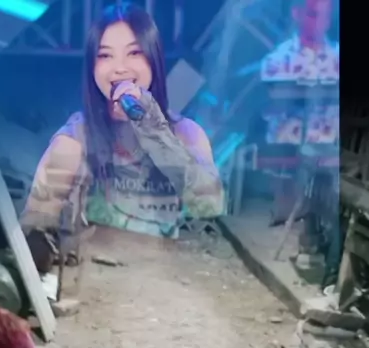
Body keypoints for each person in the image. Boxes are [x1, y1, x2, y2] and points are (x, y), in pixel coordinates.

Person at [21, 2, 224, 242]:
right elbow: (34, 227)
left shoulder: (185, 133)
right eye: (105, 55)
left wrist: (152, 128)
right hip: (92, 262)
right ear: (92, 67)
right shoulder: (76, 138)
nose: (119, 68)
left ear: (153, 59)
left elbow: (209, 205)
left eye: (134, 53)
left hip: (163, 263)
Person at [260, 0, 339, 85]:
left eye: (325, 16)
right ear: (297, 14)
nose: (322, 23)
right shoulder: (276, 62)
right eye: (313, 15)